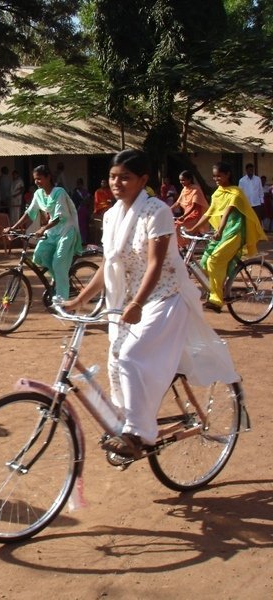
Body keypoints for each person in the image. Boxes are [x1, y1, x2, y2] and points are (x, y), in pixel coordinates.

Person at [63, 149, 239, 458]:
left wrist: (139, 303)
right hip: (130, 298)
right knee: (116, 358)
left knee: (130, 356)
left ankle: (140, 433)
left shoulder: (156, 210)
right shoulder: (112, 215)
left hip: (165, 296)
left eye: (125, 178)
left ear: (143, 180)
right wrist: (79, 299)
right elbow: (108, 264)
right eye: (112, 177)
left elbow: (156, 263)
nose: (116, 183)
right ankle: (129, 420)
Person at [187, 161, 267, 312]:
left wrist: (219, 231)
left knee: (214, 260)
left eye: (219, 176)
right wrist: (193, 229)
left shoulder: (235, 192)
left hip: (234, 232)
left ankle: (217, 300)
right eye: (214, 177)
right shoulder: (218, 193)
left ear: (228, 175)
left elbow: (228, 212)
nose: (216, 179)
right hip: (221, 233)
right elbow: (209, 212)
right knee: (204, 262)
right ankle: (218, 288)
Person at [6, 165, 82, 299]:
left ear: (48, 177)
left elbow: (59, 217)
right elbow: (30, 213)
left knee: (58, 263)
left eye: (39, 179)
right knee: (39, 256)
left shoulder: (59, 192)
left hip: (66, 231)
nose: (36, 182)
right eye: (35, 179)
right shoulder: (38, 194)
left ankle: (62, 300)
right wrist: (13, 227)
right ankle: (61, 280)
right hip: (52, 232)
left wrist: (43, 228)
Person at [170, 170, 209, 249]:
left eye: (183, 180)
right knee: (173, 226)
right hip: (187, 215)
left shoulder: (196, 189)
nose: (181, 182)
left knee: (177, 226)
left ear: (189, 179)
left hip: (195, 215)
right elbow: (178, 203)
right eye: (180, 180)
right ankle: (184, 246)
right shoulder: (184, 189)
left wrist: (184, 216)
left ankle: (183, 246)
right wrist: (167, 210)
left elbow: (194, 206)